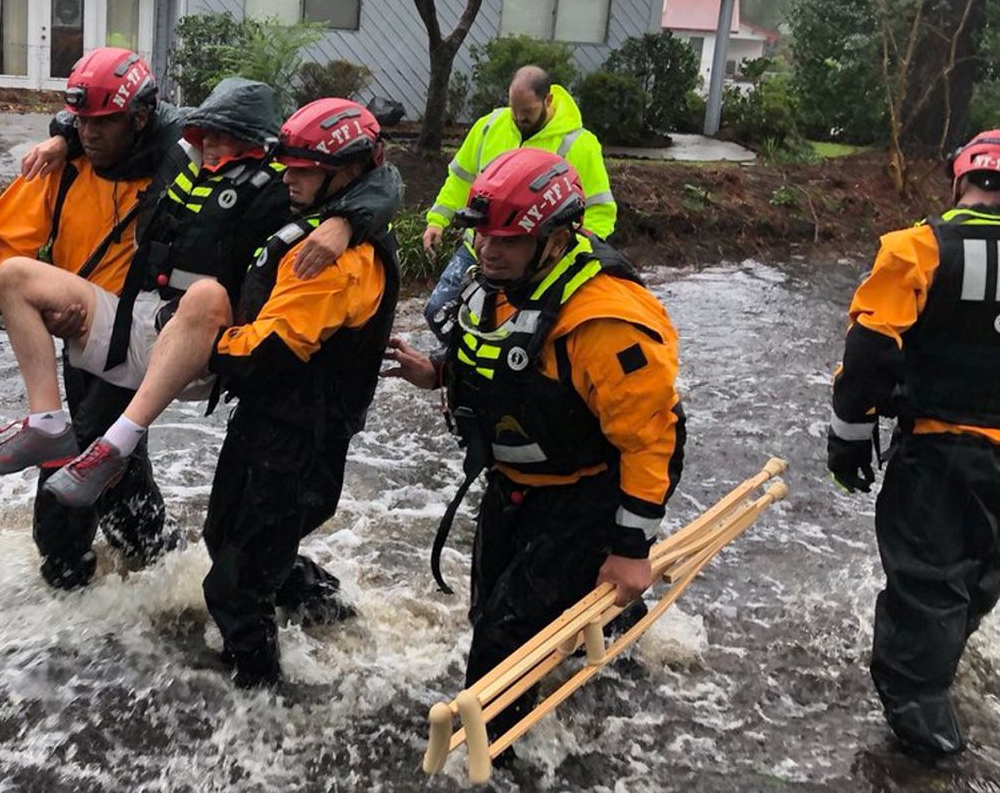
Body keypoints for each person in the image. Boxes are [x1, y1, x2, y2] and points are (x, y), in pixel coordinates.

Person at [47, 98, 402, 687]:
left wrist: (191, 341)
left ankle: (263, 701)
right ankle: (332, 615)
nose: (288, 178)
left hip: (300, 441)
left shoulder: (339, 262)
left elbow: (267, 353)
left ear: (345, 173)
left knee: (233, 585)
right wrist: (65, 133)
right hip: (268, 428)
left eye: (304, 170)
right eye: (288, 165)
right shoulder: (317, 216)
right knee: (227, 544)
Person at [382, 147, 684, 742]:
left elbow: (653, 443)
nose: (489, 251)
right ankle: (613, 633)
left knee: (498, 646)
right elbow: (510, 367)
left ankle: (496, 754)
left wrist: (630, 550)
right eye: (483, 237)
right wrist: (440, 370)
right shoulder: (495, 280)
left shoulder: (604, 321)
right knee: (486, 610)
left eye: (508, 241)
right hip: (517, 486)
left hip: (587, 492)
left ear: (554, 237)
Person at [0, 78, 396, 505]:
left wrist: (346, 221)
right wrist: (64, 137)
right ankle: (47, 424)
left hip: (201, 346)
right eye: (205, 132)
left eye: (224, 135)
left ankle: (115, 446)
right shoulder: (181, 147)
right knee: (14, 275)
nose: (209, 143)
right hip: (134, 323)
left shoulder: (284, 182)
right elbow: (119, 114)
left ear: (258, 142)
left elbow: (379, 177)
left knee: (204, 295)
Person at [827, 129, 1000, 759]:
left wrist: (850, 431)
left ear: (959, 178)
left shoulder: (916, 248)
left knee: (926, 580)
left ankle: (923, 727)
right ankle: (934, 682)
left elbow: (871, 348)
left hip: (936, 448)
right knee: (976, 576)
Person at [0, 46, 185, 590]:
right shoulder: (63, 168)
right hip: (80, 341)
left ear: (139, 118)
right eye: (81, 120)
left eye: (103, 122)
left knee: (75, 454)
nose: (89, 132)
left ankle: (63, 573)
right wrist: (43, 304)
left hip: (139, 341)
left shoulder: (180, 168)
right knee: (115, 462)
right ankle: (162, 563)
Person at [421, 65, 616, 332]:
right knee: (439, 312)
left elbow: (599, 209)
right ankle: (461, 367)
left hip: (533, 261)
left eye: (527, 112)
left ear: (547, 100)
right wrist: (437, 220)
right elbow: (461, 178)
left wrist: (566, 252)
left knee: (517, 332)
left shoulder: (579, 144)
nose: (519, 118)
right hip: (478, 249)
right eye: (515, 109)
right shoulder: (489, 126)